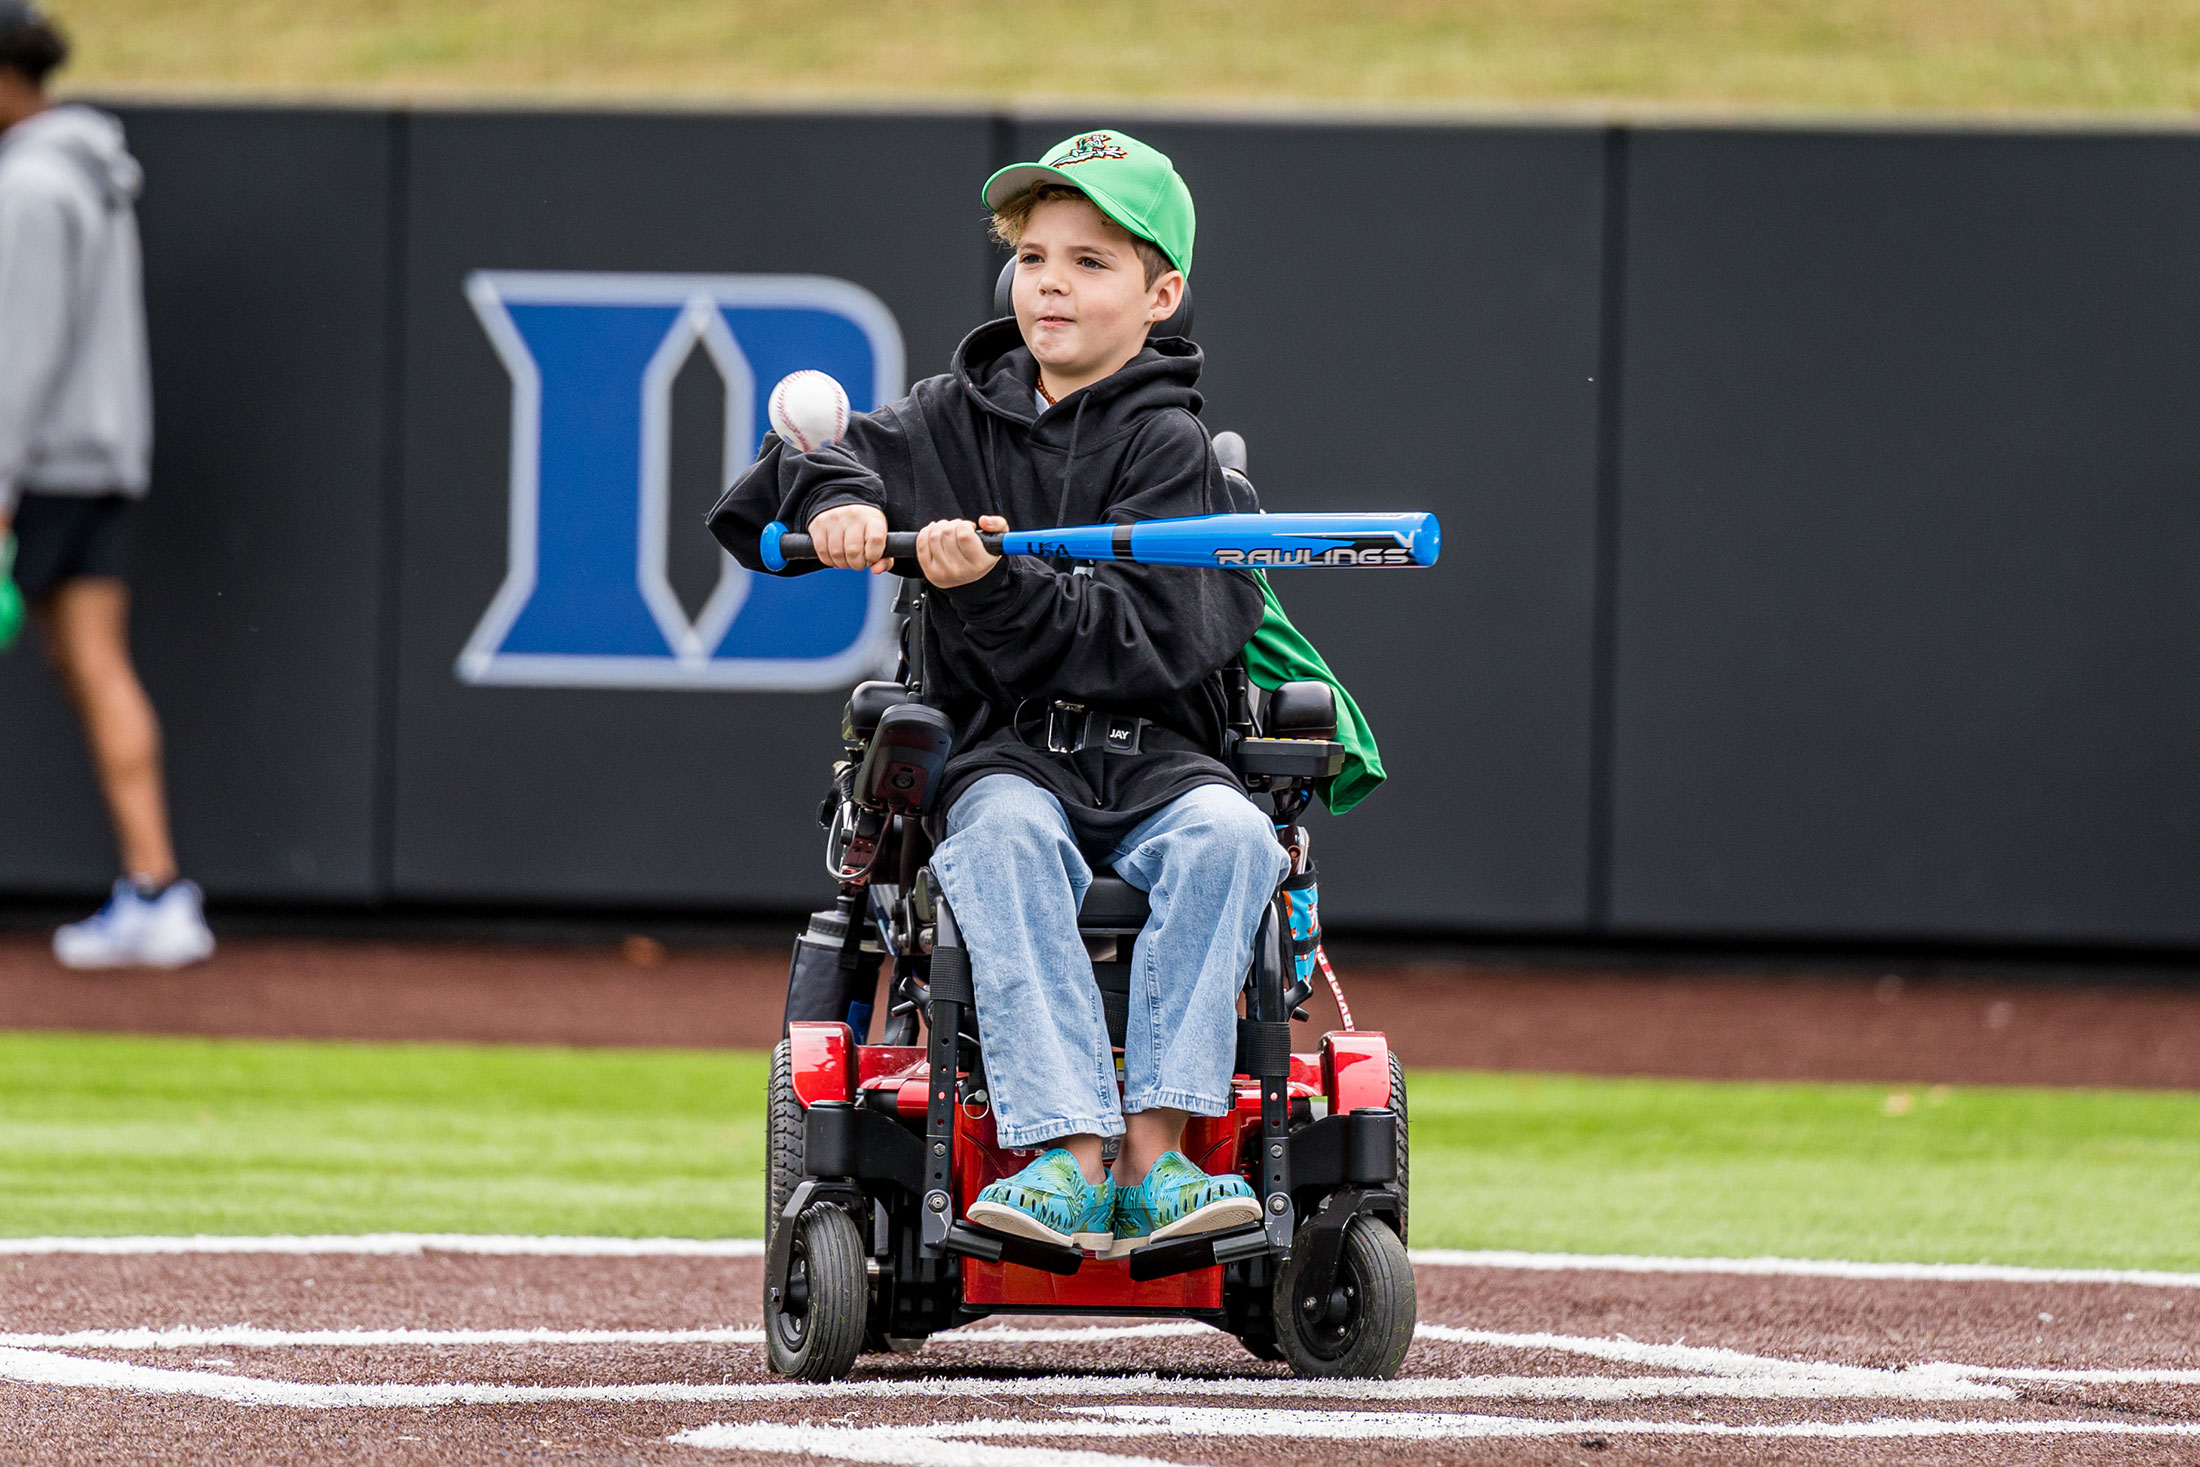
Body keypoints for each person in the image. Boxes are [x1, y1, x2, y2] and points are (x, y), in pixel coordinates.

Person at [712, 131, 1281, 1256]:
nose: (1050, 283)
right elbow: (763, 506)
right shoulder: (947, 420)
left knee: (1232, 836)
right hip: (1005, 760)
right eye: (1032, 256)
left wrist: (997, 584)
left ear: (1162, 293)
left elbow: (1142, 646)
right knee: (1003, 839)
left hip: (1163, 760)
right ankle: (1065, 1157)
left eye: (1091, 261)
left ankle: (1158, 1153)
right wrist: (834, 492)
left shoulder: (1179, 459)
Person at [0, 3, 212, 969]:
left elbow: (17, 352)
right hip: (97, 457)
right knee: (90, 661)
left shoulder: (32, 187)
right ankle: (156, 886)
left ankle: (157, 890)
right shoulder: (87, 173)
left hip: (39, 465)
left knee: (88, 662)